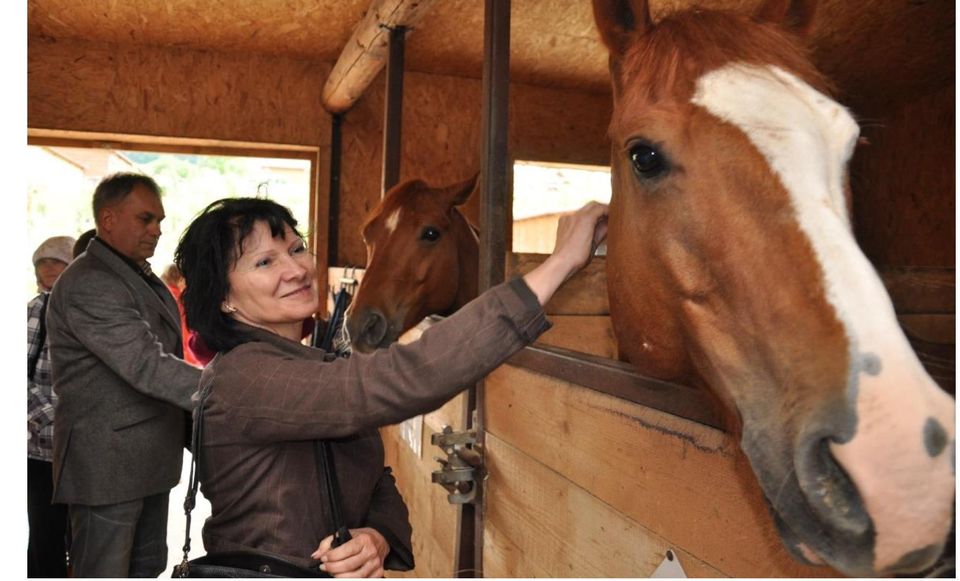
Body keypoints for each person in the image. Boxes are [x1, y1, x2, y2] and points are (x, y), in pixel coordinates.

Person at [174, 194, 608, 576]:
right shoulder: (247, 376)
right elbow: (393, 380)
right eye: (265, 262)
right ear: (224, 298)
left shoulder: (306, 363)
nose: (296, 269)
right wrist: (560, 263)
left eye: (296, 248)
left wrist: (376, 536)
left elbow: (375, 478)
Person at [46, 175, 199, 578]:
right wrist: (229, 390)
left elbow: (167, 358)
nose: (157, 229)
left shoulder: (140, 276)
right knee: (105, 572)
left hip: (149, 460)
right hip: (107, 466)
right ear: (108, 219)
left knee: (146, 569)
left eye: (160, 220)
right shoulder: (89, 282)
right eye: (146, 219)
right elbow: (147, 365)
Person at [28, 233, 75, 578]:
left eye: (57, 263)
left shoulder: (81, 311)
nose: (49, 270)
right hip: (43, 450)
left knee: (78, 537)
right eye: (43, 264)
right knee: (46, 538)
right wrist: (50, 420)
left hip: (78, 448)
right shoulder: (36, 310)